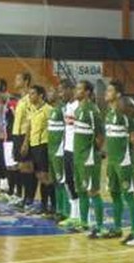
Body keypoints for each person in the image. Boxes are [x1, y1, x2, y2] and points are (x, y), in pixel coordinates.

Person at [102, 80, 134, 242]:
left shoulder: (125, 115)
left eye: (110, 90)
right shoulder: (108, 113)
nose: (106, 93)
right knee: (114, 194)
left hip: (124, 162)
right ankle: (117, 228)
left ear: (118, 94)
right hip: (111, 162)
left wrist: (130, 158)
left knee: (129, 195)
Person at [72, 80, 105, 235]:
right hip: (78, 156)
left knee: (93, 191)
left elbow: (100, 135)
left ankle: (99, 225)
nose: (76, 91)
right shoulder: (78, 109)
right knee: (81, 190)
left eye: (79, 88)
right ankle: (84, 222)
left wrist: (95, 151)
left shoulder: (92, 111)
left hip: (88, 157)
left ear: (87, 92)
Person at [25, 85, 55, 217]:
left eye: (33, 94)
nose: (30, 96)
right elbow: (29, 126)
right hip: (33, 145)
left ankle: (53, 205)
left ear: (41, 95)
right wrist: (26, 142)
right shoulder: (31, 109)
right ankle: (43, 204)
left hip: (44, 145)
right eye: (29, 94)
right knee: (38, 176)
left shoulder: (49, 110)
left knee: (46, 176)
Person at [58, 80, 83, 231]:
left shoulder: (79, 107)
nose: (60, 94)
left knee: (78, 183)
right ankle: (74, 215)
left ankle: (81, 216)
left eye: (62, 91)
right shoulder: (66, 107)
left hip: (77, 151)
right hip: (67, 149)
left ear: (70, 90)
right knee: (68, 182)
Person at [12, 72, 37, 211]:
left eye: (18, 78)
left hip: (24, 136)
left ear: (26, 81)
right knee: (21, 167)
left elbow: (30, 121)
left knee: (28, 167)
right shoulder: (21, 99)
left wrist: (26, 141)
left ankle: (29, 199)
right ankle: (24, 197)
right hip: (17, 135)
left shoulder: (29, 99)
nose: (15, 81)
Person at [46, 84, 69, 221]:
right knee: (55, 181)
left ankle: (66, 211)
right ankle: (59, 209)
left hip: (59, 151)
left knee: (62, 181)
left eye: (51, 90)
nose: (49, 93)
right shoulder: (53, 110)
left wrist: (63, 148)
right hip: (51, 150)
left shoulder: (63, 109)